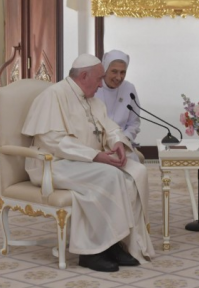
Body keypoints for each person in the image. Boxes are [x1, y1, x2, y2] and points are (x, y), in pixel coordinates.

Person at [21, 54, 154, 272]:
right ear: (84, 76)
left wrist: (118, 142)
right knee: (109, 176)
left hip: (83, 162)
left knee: (135, 172)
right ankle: (92, 252)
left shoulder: (91, 100)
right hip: (52, 164)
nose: (102, 84)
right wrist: (95, 156)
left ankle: (117, 243)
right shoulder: (53, 96)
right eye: (99, 78)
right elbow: (53, 141)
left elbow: (110, 127)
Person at [94, 49, 142, 162]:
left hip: (122, 143)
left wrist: (122, 140)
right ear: (105, 70)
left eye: (122, 72)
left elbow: (134, 123)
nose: (118, 77)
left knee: (134, 169)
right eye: (114, 71)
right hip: (96, 145)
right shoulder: (94, 87)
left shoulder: (129, 88)